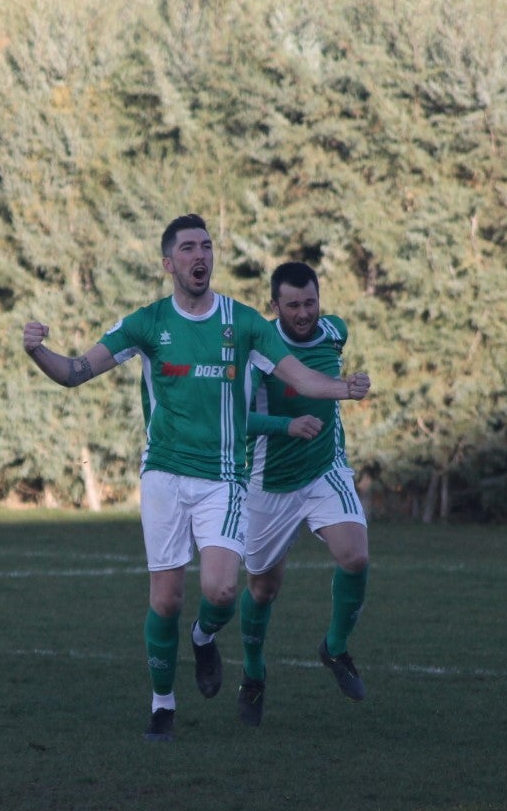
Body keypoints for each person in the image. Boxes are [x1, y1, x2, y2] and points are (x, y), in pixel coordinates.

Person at [21, 214, 369, 742]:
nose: (199, 255)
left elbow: (296, 374)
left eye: (206, 245)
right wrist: (36, 350)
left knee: (224, 589)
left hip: (224, 477)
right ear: (169, 264)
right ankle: (163, 703)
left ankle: (205, 638)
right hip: (164, 473)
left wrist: (343, 389)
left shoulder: (244, 322)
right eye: (187, 248)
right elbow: (74, 372)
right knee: (164, 600)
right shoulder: (145, 323)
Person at [240, 261, 371, 726]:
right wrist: (285, 425)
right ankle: (253, 674)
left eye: (310, 302)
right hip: (268, 483)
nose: (303, 313)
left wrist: (352, 385)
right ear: (274, 306)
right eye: (292, 305)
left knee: (355, 556)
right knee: (262, 589)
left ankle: (335, 649)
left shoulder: (335, 332)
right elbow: (236, 419)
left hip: (323, 470)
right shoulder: (257, 352)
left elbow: (332, 376)